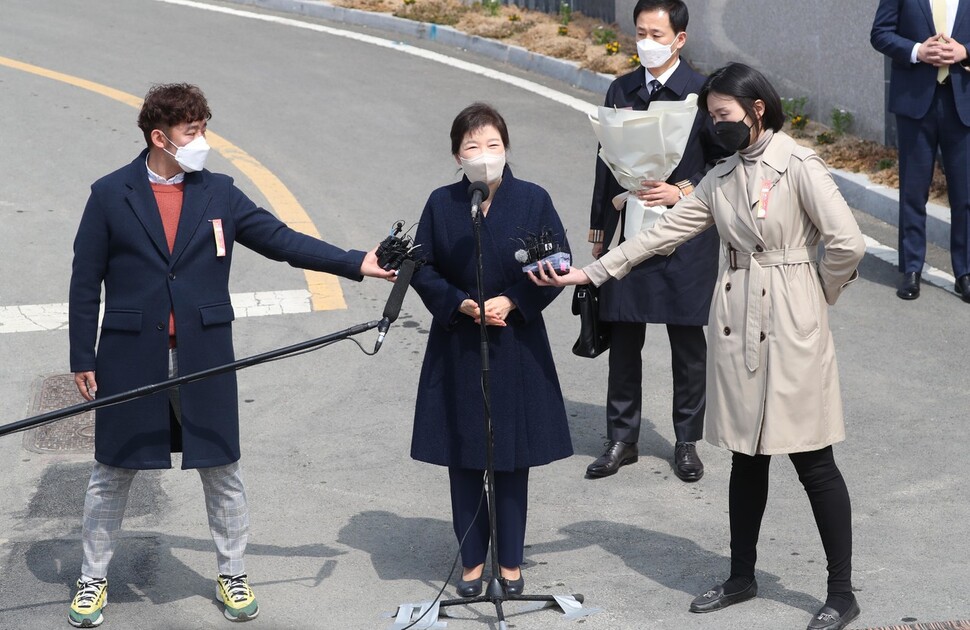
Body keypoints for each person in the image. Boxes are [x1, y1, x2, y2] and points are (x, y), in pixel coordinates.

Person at [532, 63, 865, 630]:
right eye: (711, 118)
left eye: (724, 115)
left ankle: (841, 591)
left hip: (790, 319)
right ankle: (741, 575)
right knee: (746, 455)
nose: (716, 125)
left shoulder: (799, 164)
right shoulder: (724, 175)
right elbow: (663, 230)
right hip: (738, 317)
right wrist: (593, 274)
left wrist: (815, 293)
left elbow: (847, 244)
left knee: (813, 460)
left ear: (757, 108)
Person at [67, 83, 394, 628]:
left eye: (202, 128)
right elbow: (84, 282)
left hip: (204, 353)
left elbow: (282, 240)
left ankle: (233, 573)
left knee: (222, 468)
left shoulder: (219, 191)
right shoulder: (109, 194)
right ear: (159, 137)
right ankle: (92, 578)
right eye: (192, 132)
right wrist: (83, 356)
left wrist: (358, 261)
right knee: (113, 472)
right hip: (129, 355)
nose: (202, 141)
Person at [409, 103, 573, 597]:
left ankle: (512, 562)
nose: (484, 156)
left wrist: (514, 300)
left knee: (510, 458)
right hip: (458, 342)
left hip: (515, 343)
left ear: (507, 149)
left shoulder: (533, 199)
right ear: (456, 156)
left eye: (493, 146)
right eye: (472, 147)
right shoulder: (441, 204)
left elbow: (559, 261)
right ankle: (473, 562)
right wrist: (458, 302)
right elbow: (421, 266)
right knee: (465, 456)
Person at [586, 0, 728, 482]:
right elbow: (605, 161)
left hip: (685, 235)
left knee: (688, 343)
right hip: (629, 232)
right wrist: (599, 232)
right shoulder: (621, 87)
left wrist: (683, 190)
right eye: (640, 33)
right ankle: (621, 438)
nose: (646, 42)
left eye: (656, 34)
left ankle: (686, 441)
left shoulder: (702, 92)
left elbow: (723, 163)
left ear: (680, 39)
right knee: (624, 337)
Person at [871, 0, 970, 302]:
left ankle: (965, 272)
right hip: (915, 102)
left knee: (965, 195)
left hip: (962, 102)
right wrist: (918, 51)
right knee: (913, 193)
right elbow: (880, 33)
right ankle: (911, 269)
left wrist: (965, 51)